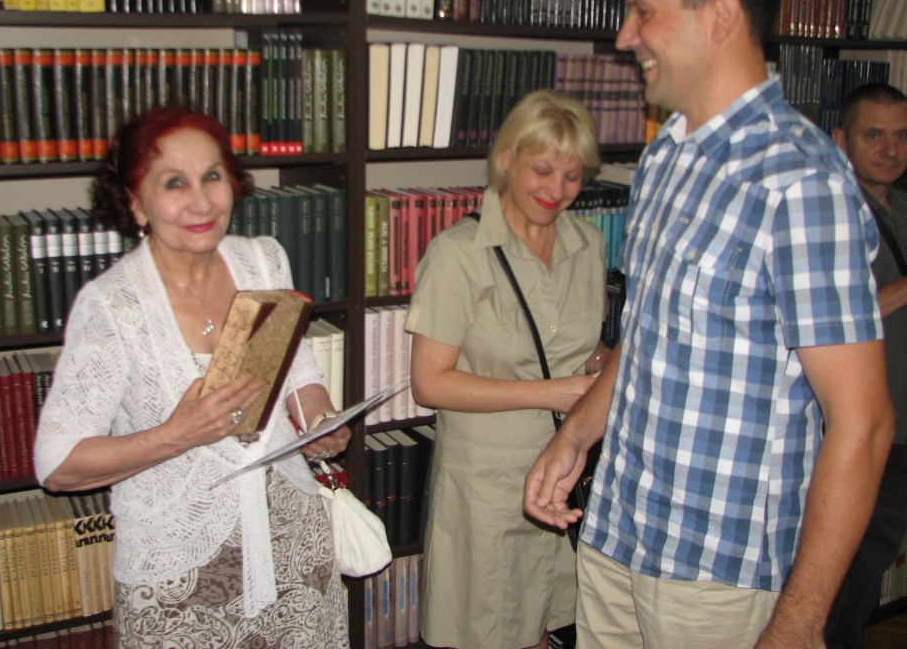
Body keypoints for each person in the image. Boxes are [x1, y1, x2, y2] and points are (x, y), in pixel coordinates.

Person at [523, 0, 894, 649]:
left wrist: (799, 620)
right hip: (619, 530)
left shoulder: (799, 180)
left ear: (721, 16)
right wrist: (578, 432)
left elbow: (864, 423)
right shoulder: (666, 155)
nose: (626, 36)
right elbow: (650, 333)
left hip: (721, 569)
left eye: (644, 12)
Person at [33, 105, 351, 648]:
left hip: (295, 549)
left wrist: (319, 421)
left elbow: (299, 374)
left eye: (212, 177)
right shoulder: (114, 306)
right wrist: (176, 435)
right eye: (174, 183)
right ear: (136, 203)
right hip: (179, 574)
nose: (201, 202)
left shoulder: (263, 262)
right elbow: (57, 465)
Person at [406, 89, 610, 649]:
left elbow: (584, 347)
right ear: (506, 159)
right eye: (542, 170)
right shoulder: (458, 253)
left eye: (572, 176)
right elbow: (429, 383)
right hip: (488, 485)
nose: (556, 190)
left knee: (548, 627)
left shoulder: (589, 244)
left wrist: (605, 368)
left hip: (568, 474)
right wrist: (555, 391)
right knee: (490, 632)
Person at [827, 83, 907, 649]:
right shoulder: (831, 215)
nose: (890, 149)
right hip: (863, 430)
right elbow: (833, 320)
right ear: (841, 140)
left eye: (901, 136)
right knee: (846, 574)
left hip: (901, 424)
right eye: (873, 135)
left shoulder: (901, 206)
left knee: (871, 567)